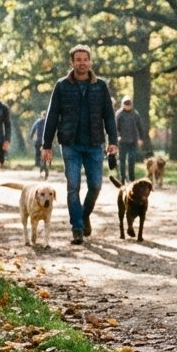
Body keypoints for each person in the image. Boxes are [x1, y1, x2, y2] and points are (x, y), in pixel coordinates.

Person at [41, 45, 118, 245]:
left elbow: (109, 116)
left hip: (94, 143)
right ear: (72, 62)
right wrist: (46, 144)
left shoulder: (100, 86)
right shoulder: (62, 85)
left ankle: (84, 215)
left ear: (90, 61)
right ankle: (77, 227)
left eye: (85, 59)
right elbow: (52, 115)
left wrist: (113, 141)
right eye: (78, 59)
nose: (82, 62)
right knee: (73, 186)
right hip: (70, 144)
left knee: (95, 186)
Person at [116, 96, 145, 182]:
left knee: (131, 160)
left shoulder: (135, 114)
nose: (127, 105)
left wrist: (140, 138)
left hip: (133, 140)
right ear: (122, 104)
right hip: (122, 141)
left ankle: (132, 179)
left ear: (131, 104)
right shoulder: (119, 114)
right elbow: (115, 127)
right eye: (126, 103)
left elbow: (140, 127)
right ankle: (122, 178)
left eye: (129, 103)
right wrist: (117, 137)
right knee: (122, 161)